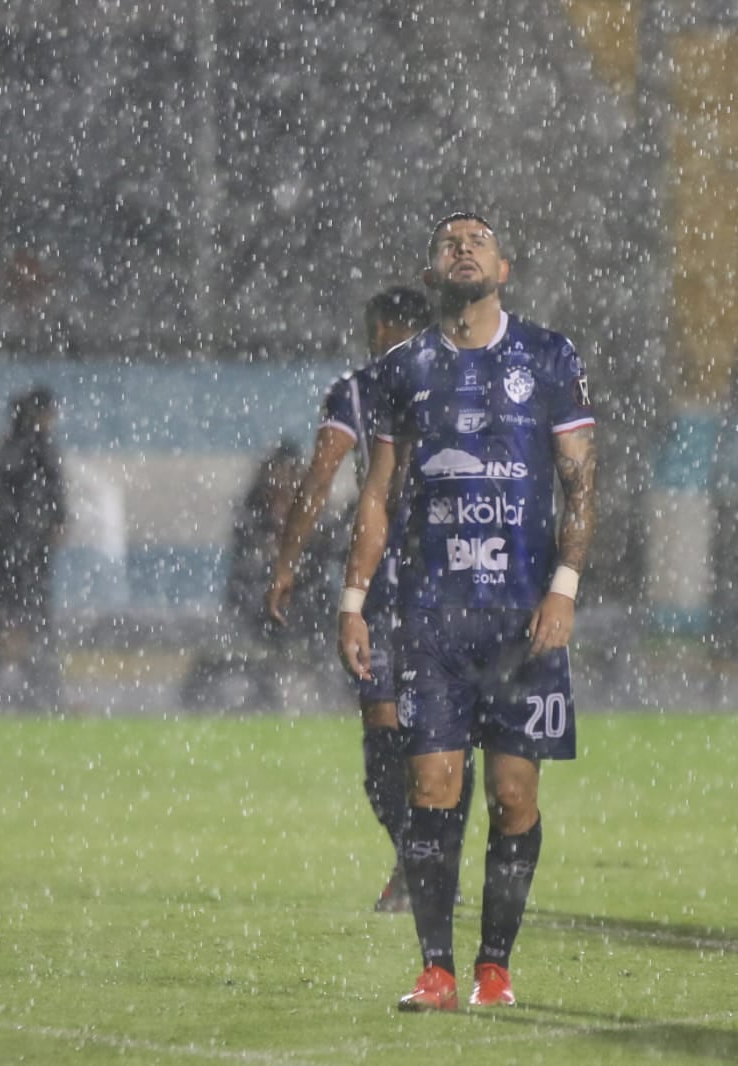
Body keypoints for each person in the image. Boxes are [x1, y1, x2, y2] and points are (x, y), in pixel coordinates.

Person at [337, 212, 597, 1011]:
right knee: (434, 786)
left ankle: (495, 967)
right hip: (433, 617)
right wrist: (354, 603)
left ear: (504, 269)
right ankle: (437, 970)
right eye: (449, 242)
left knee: (515, 796)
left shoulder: (550, 357)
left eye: (477, 240)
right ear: (431, 273)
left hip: (523, 619)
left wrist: (563, 588)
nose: (462, 247)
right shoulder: (400, 369)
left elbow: (581, 484)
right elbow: (377, 496)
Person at [266, 287, 474, 914]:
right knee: (436, 737)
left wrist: (286, 561)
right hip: (453, 576)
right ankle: (431, 862)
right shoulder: (463, 382)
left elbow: (320, 475)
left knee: (388, 741)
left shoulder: (358, 390)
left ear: (383, 327)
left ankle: (421, 858)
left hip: (392, 582)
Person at [0, 385, 67, 708]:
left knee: (11, 614)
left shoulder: (7, 452)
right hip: (24, 550)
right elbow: (51, 496)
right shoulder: (36, 453)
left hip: (11, 550)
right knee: (28, 616)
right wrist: (49, 525)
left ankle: (11, 683)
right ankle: (35, 686)